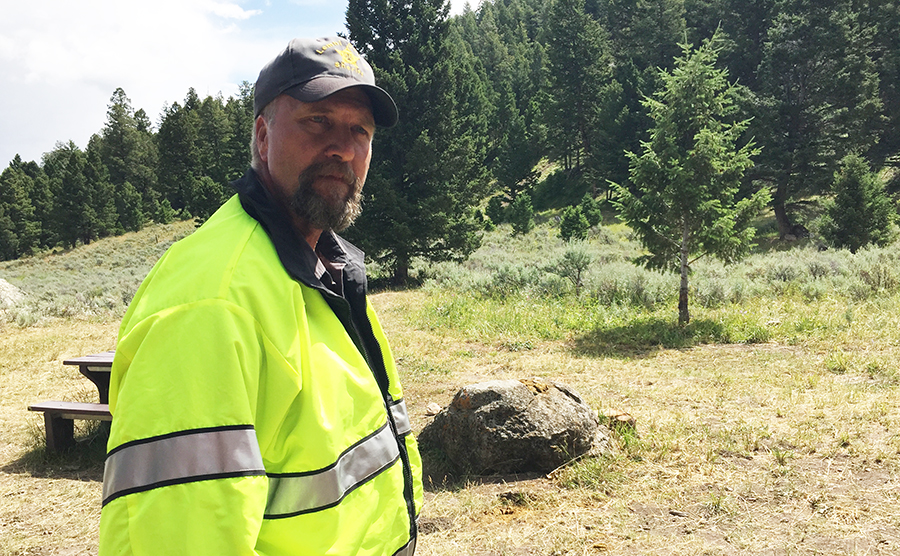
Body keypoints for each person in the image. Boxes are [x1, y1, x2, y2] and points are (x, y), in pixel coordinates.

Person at [98, 36, 424, 556]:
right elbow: (181, 539)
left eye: (359, 130)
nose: (343, 147)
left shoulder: (326, 267)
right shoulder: (213, 301)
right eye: (318, 120)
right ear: (263, 134)